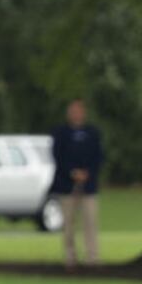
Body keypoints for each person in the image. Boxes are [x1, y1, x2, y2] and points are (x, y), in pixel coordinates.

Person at [50, 98, 104, 269]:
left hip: (88, 186)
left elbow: (98, 157)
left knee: (90, 221)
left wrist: (87, 173)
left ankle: (92, 257)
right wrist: (72, 172)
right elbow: (58, 157)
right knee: (68, 224)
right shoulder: (61, 133)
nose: (75, 114)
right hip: (67, 185)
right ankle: (70, 257)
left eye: (78, 110)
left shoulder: (92, 133)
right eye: (72, 110)